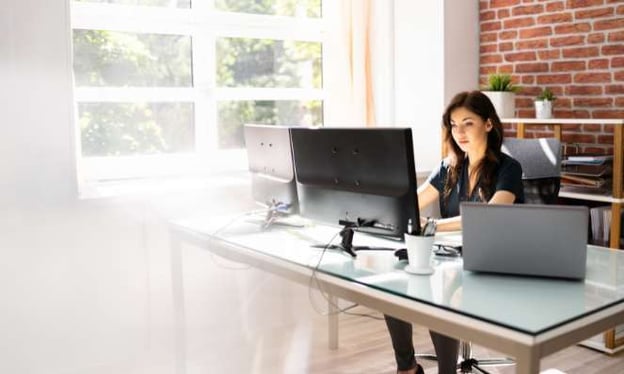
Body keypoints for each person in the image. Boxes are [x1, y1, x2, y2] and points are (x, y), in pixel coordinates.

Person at [385, 90, 525, 374]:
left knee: (440, 292)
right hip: (451, 255)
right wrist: (387, 204)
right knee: (391, 286)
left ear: (488, 124)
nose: (458, 131)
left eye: (468, 123)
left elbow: (489, 215)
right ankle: (407, 368)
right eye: (453, 124)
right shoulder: (449, 168)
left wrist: (432, 225)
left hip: (494, 259)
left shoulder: (508, 169)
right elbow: (412, 202)